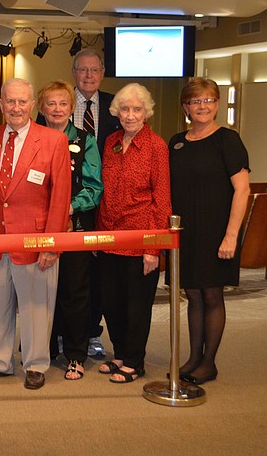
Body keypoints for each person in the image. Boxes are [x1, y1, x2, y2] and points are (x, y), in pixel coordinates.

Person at [0, 78, 71, 390]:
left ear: (32, 105)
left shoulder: (54, 141)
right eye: (10, 101)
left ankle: (36, 364)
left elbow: (60, 197)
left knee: (36, 308)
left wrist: (51, 245)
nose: (16, 107)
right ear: (1, 104)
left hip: (35, 241)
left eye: (22, 102)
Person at [169, 77, 250, 385]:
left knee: (212, 294)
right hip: (185, 231)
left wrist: (231, 236)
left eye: (208, 100)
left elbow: (242, 190)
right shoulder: (176, 141)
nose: (201, 106)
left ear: (217, 104)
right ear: (185, 107)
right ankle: (193, 358)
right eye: (195, 101)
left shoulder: (228, 140)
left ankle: (209, 363)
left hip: (216, 231)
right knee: (193, 294)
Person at [96, 82, 171, 384]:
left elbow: (162, 198)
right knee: (111, 302)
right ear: (117, 111)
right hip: (108, 236)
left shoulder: (156, 146)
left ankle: (134, 361)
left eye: (136, 109)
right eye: (125, 109)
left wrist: (153, 247)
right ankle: (120, 354)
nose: (130, 115)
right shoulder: (111, 141)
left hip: (140, 240)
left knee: (136, 305)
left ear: (146, 112)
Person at [37, 80, 102, 380]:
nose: (57, 109)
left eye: (63, 103)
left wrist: (67, 209)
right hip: (39, 229)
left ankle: (76, 354)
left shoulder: (85, 141)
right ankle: (45, 350)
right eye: (51, 103)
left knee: (75, 291)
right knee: (42, 292)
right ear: (41, 108)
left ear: (71, 107)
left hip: (73, 226)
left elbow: (94, 187)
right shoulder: (33, 138)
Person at [71, 48, 121, 358]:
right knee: (72, 273)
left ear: (102, 74)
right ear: (74, 73)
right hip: (71, 203)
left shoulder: (116, 107)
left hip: (108, 202)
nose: (88, 76)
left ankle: (92, 332)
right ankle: (64, 332)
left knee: (99, 273)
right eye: (82, 70)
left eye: (94, 70)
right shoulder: (59, 104)